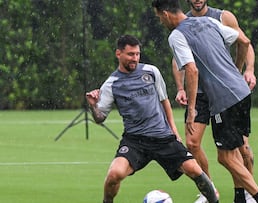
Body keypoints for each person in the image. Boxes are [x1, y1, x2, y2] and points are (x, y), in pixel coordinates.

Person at [152, 1, 258, 203]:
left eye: (159, 17)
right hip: (241, 93)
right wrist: (237, 70)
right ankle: (241, 198)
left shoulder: (176, 35)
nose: (160, 22)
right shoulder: (208, 22)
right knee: (232, 154)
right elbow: (244, 40)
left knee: (225, 157)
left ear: (165, 14)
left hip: (224, 100)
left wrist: (191, 110)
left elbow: (191, 70)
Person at [85, 35, 219, 203]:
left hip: (163, 138)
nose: (135, 58)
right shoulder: (112, 83)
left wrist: (174, 131)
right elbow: (99, 118)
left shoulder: (151, 71)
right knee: (114, 175)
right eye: (130, 54)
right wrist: (92, 105)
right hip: (135, 141)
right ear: (118, 54)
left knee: (196, 172)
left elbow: (165, 102)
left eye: (137, 54)